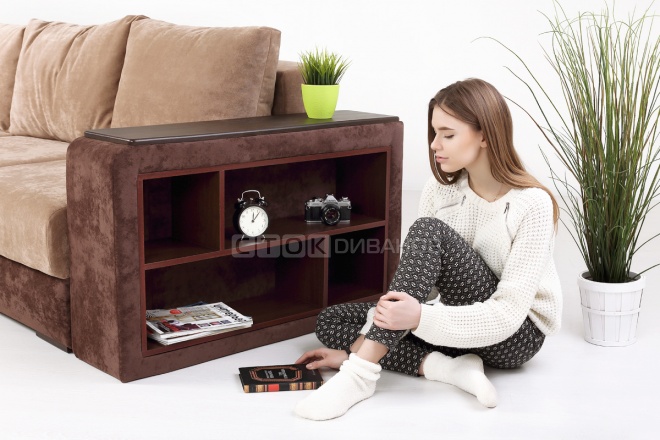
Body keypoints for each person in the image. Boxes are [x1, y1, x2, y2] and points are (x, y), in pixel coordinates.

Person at [293, 78, 562, 421]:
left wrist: (409, 323)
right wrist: (385, 322)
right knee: (331, 321)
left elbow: (507, 315)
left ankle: (359, 375)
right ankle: (448, 369)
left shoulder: (532, 204)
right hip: (459, 325)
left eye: (448, 134)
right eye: (435, 133)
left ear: (484, 135)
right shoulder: (440, 189)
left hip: (514, 337)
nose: (435, 144)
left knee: (427, 231)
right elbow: (424, 286)